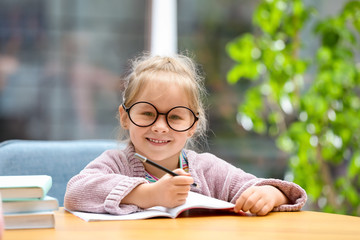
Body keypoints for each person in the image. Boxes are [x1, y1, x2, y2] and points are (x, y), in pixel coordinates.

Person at [64, 53, 307, 216]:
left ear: (192, 124)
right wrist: (149, 194)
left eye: (175, 117)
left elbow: (274, 191)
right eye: (147, 114)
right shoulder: (115, 163)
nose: (160, 126)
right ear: (125, 116)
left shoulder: (207, 170)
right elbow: (75, 192)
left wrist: (271, 194)